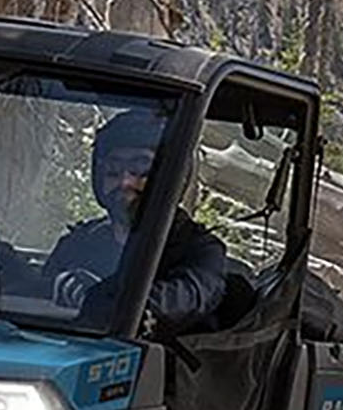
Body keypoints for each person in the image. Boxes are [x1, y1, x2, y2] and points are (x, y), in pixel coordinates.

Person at [41, 107, 226, 335]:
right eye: (113, 170)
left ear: (169, 176)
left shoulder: (199, 250)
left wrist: (101, 300)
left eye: (140, 169)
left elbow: (181, 301)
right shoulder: (79, 243)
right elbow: (33, 299)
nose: (125, 182)